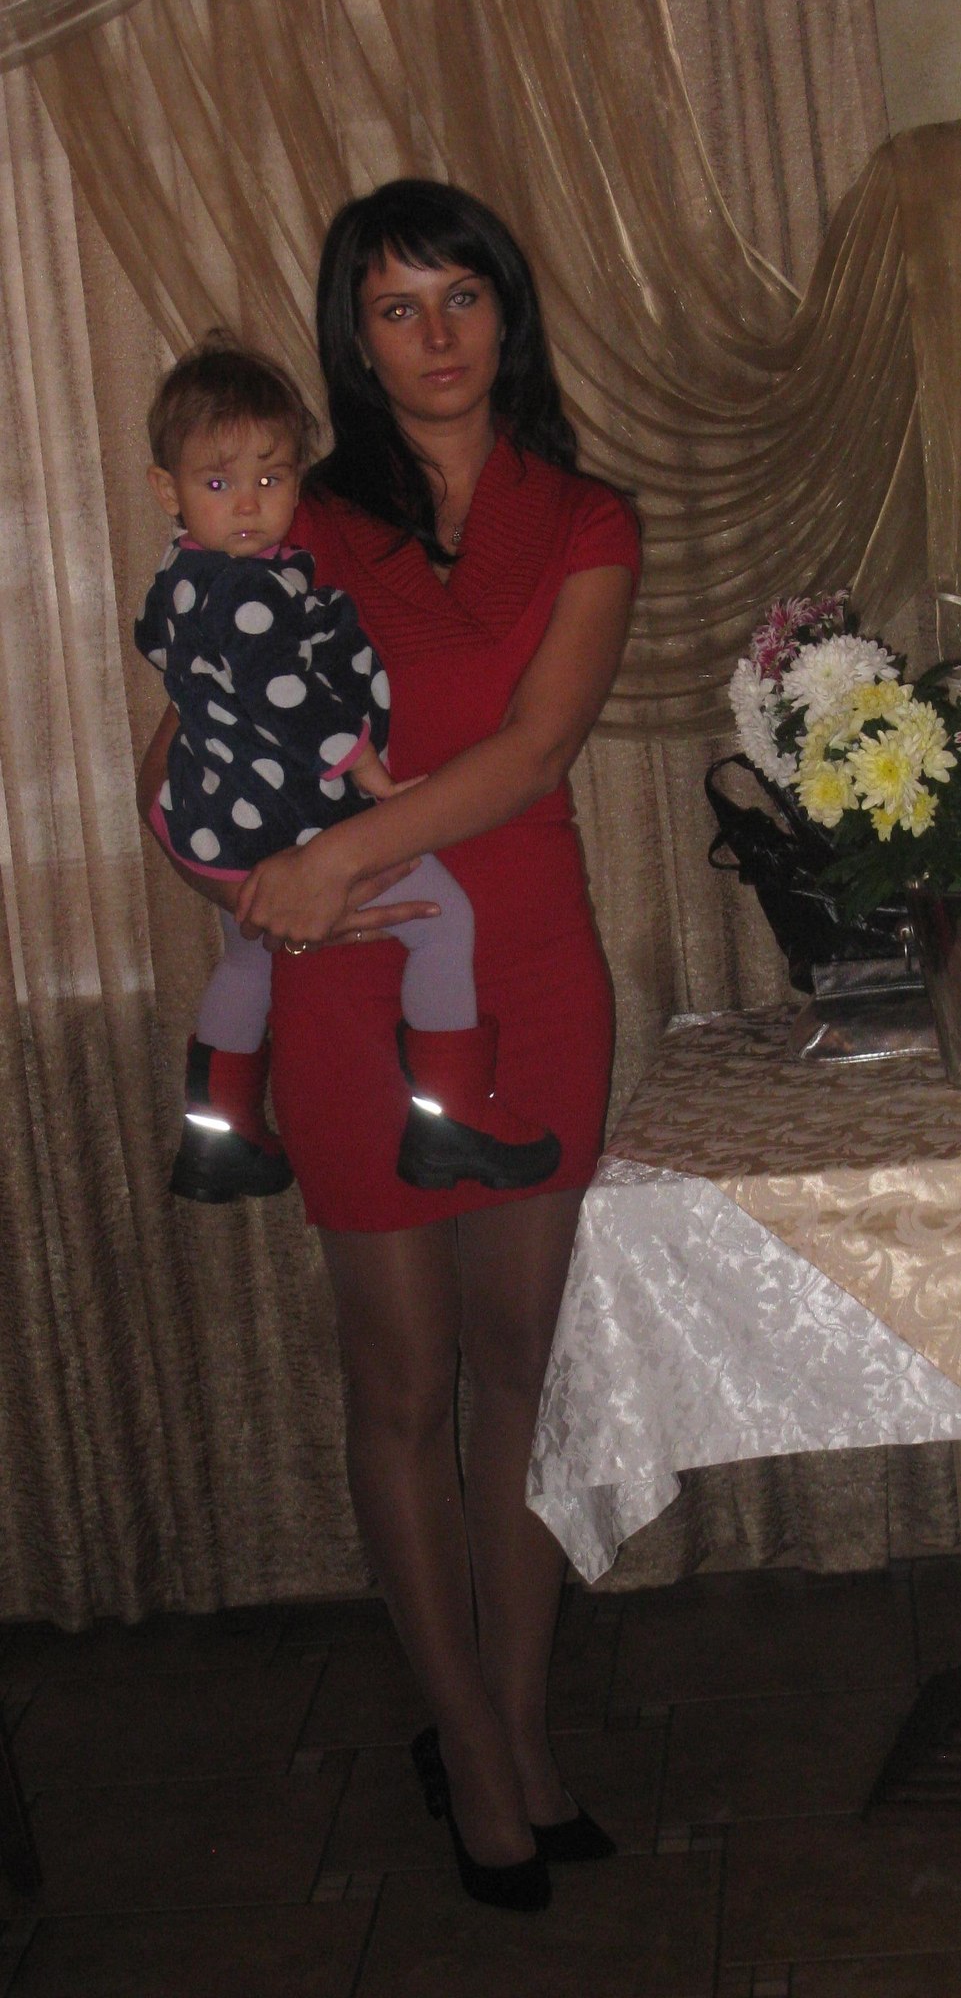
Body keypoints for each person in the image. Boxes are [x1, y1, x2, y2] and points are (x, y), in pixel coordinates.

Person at [139, 178, 640, 1910]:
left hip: (534, 972)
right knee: (404, 1382)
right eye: (393, 306)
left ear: (508, 310)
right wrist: (245, 880)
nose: (433, 335)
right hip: (352, 981)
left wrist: (330, 850)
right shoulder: (298, 509)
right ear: (352, 335)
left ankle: (519, 1731)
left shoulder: (585, 516)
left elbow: (532, 753)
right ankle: (471, 1749)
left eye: (460, 296)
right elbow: (177, 755)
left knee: (518, 1375)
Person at [137, 336, 559, 1205]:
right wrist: (362, 769)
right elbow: (288, 697)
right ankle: (450, 1115)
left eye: (271, 477)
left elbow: (163, 649)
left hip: (210, 817)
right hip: (279, 816)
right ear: (166, 489)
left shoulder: (184, 572)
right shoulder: (247, 590)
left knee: (247, 960)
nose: (248, 504)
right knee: (442, 922)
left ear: (298, 477)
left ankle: (218, 1131)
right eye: (218, 483)